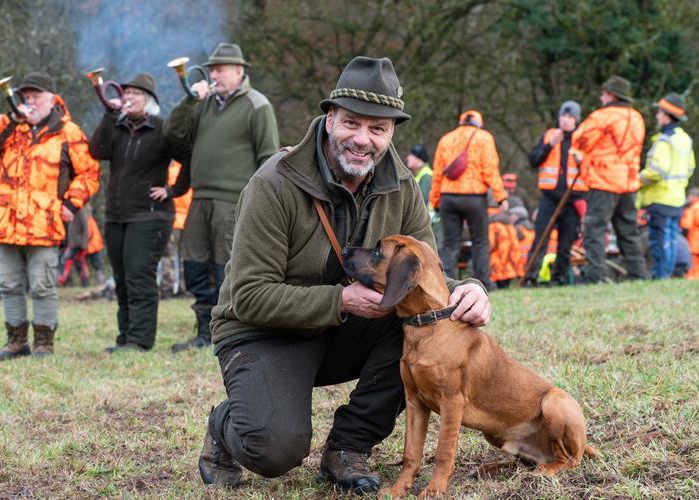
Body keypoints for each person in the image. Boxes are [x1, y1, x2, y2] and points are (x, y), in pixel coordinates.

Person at [199, 56, 491, 494]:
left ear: (392, 132)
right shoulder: (272, 185)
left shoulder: (403, 186)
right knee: (275, 449)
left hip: (349, 328)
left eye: (378, 129)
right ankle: (227, 425)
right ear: (330, 117)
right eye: (352, 123)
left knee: (426, 328)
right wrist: (340, 301)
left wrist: (468, 290)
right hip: (262, 331)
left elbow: (426, 278)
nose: (363, 140)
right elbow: (249, 296)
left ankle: (349, 446)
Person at [0, 71, 100, 359]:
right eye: (25, 97)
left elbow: (90, 173)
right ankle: (16, 342)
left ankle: (44, 343)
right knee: (9, 284)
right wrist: (8, 119)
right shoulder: (10, 128)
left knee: (42, 285)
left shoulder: (70, 132)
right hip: (4, 223)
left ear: (52, 99)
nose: (29, 102)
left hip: (45, 224)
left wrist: (71, 204)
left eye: (35, 97)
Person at [164, 43, 280, 352]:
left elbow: (268, 159)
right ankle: (203, 331)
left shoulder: (257, 105)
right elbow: (173, 135)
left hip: (234, 200)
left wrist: (259, 204)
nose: (214, 75)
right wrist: (189, 102)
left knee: (225, 267)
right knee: (194, 265)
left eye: (221, 69)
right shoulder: (202, 104)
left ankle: (226, 332)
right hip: (199, 198)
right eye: (212, 69)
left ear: (239, 72)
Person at [89, 73, 191, 353]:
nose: (129, 97)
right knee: (121, 277)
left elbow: (188, 157)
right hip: (116, 216)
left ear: (149, 100)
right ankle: (125, 336)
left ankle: (140, 340)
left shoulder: (163, 128)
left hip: (151, 216)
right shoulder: (117, 126)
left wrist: (173, 191)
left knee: (138, 275)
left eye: (135, 93)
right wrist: (109, 116)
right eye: (126, 93)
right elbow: (96, 150)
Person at [573, 76, 647, 283]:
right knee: (628, 230)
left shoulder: (601, 117)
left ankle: (596, 274)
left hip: (603, 180)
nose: (601, 96)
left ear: (611, 95)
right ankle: (637, 273)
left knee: (594, 229)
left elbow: (580, 139)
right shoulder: (637, 118)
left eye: (603, 93)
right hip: (628, 182)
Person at [430, 109, 508, 289]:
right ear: (479, 123)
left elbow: (438, 174)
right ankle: (482, 284)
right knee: (480, 242)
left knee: (449, 244)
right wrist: (500, 197)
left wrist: (434, 201)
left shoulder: (446, 139)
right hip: (474, 198)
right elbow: (490, 170)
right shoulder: (484, 137)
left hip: (448, 197)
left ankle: (445, 285)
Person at [523, 101, 588, 286]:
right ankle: (530, 277)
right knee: (540, 238)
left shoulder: (582, 139)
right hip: (549, 198)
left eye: (570, 117)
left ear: (576, 119)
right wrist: (549, 145)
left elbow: (592, 166)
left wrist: (582, 159)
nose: (566, 120)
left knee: (566, 242)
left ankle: (559, 278)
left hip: (573, 198)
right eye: (563, 116)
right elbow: (534, 160)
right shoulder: (549, 136)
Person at [637, 93, 696, 279]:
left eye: (660, 112)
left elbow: (657, 170)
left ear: (667, 115)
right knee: (670, 238)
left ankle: (660, 275)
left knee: (659, 240)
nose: (657, 116)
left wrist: (637, 179)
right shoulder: (684, 139)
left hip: (660, 198)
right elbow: (690, 167)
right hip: (677, 198)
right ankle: (666, 274)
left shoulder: (664, 140)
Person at [681, 187, 699, 279]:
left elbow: (686, 225)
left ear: (695, 197)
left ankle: (695, 277)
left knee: (694, 261)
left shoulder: (693, 208)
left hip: (696, 239)